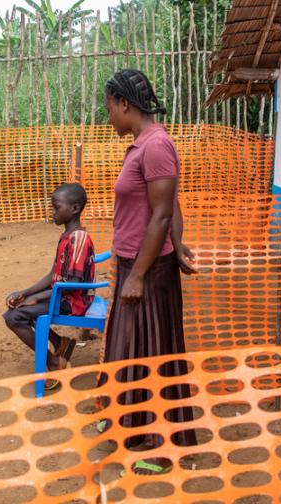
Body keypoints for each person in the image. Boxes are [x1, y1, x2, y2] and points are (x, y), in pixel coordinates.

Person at [100, 68, 197, 475]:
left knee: (155, 352)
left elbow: (160, 214)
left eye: (109, 109)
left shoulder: (156, 145)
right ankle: (135, 427)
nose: (107, 118)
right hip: (135, 263)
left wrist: (140, 274)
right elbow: (170, 207)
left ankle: (164, 446)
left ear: (125, 104)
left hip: (148, 271)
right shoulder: (142, 145)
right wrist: (179, 243)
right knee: (132, 349)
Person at [4, 183, 96, 390]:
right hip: (61, 295)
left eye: (57, 207)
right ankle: (61, 343)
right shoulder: (67, 236)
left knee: (14, 317)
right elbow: (52, 275)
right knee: (20, 307)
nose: (52, 212)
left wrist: (39, 297)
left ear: (74, 209)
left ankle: (55, 363)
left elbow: (74, 284)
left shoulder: (78, 239)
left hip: (73, 301)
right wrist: (25, 292)